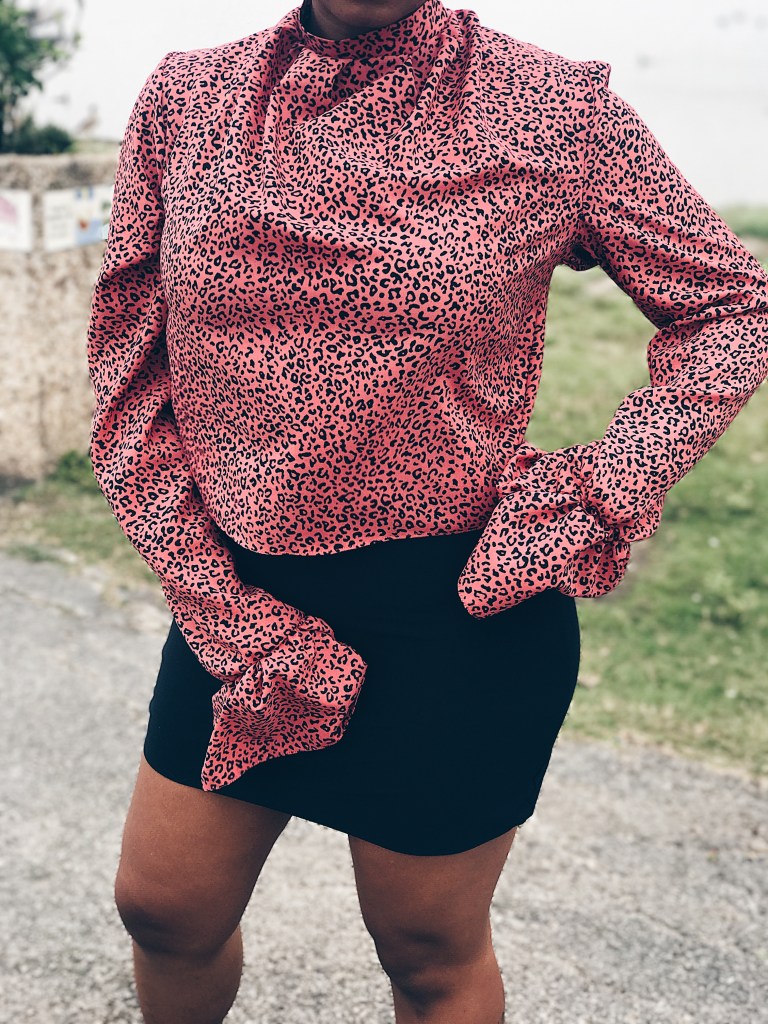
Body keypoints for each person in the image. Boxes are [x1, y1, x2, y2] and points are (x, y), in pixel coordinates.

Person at [85, 0, 768, 1021]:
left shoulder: (550, 109)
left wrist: (598, 488)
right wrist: (199, 576)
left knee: (425, 947)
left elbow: (731, 306)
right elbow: (131, 364)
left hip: (459, 607)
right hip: (240, 602)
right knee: (164, 907)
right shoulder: (187, 99)